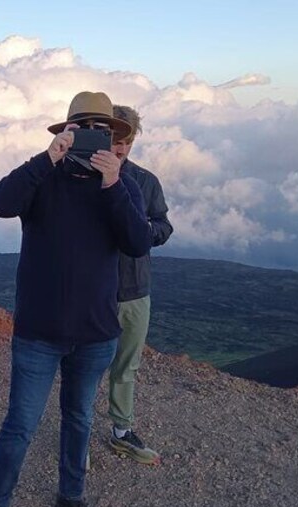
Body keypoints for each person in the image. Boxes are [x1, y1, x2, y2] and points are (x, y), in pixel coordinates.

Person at [0, 91, 152, 507]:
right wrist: (45, 160)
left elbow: (137, 243)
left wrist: (113, 185)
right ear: (65, 132)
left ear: (113, 137)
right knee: (21, 425)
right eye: (82, 129)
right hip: (39, 331)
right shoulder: (42, 177)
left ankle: (70, 497)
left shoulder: (122, 185)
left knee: (79, 419)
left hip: (95, 333)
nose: (93, 138)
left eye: (102, 130)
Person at [103, 105, 173, 465]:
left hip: (134, 288)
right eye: (115, 140)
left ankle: (121, 431)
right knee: (85, 366)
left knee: (126, 365)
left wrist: (143, 233)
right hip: (95, 290)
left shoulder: (146, 182)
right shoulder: (89, 178)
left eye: (127, 141)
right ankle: (77, 434)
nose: (120, 148)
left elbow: (163, 226)